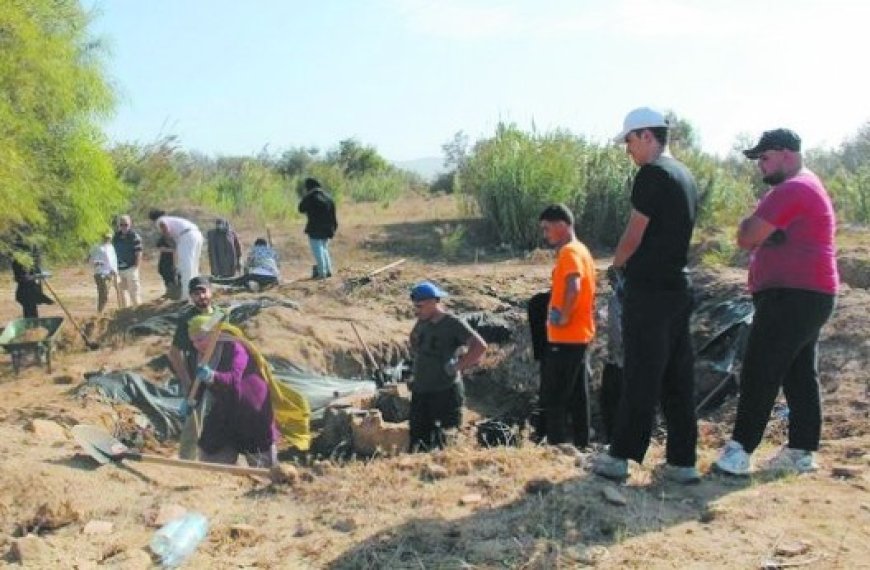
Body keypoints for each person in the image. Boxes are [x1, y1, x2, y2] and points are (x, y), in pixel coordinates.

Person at [714, 128, 839, 476]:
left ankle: (739, 452)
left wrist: (755, 231)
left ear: (786, 154)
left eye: (764, 158)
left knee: (760, 369)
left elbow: (746, 236)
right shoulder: (808, 185)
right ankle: (801, 450)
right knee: (799, 372)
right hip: (810, 294)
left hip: (792, 295)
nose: (760, 166)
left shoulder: (793, 188)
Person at [592, 107, 700, 484]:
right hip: (677, 287)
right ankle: (683, 461)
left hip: (649, 290)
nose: (628, 150)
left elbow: (634, 234)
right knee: (676, 375)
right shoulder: (684, 174)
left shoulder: (652, 175)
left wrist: (616, 265)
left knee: (640, 373)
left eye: (629, 141)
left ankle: (621, 457)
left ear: (645, 136)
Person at [180, 313, 280, 467]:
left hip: (251, 409)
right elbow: (198, 384)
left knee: (262, 463)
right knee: (210, 451)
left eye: (200, 339)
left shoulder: (234, 348)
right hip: (226, 409)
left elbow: (234, 380)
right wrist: (191, 401)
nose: (197, 344)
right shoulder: (198, 356)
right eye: (193, 341)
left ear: (213, 334)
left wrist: (212, 375)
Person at [537, 204, 596, 447]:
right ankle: (581, 443)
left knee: (555, 396)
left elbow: (574, 286)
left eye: (547, 228)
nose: (545, 234)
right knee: (577, 396)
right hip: (579, 336)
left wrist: (563, 316)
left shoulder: (569, 252)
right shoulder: (582, 250)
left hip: (566, 337)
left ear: (562, 225)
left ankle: (556, 447)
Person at [408, 281, 487, 451]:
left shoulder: (452, 323)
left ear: (433, 302)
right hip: (421, 391)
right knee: (418, 442)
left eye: (420, 306)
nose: (417, 310)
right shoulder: (422, 320)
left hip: (445, 391)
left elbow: (480, 346)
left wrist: (458, 366)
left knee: (445, 442)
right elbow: (414, 339)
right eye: (415, 306)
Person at [169, 276, 219, 459]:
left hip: (220, 374)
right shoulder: (187, 320)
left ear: (210, 291)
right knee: (194, 420)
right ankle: (187, 461)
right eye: (196, 293)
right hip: (197, 376)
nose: (201, 296)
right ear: (191, 296)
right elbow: (174, 353)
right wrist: (187, 382)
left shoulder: (220, 315)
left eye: (203, 291)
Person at [149, 209, 204, 302]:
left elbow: (165, 229)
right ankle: (197, 291)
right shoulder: (172, 219)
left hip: (186, 237)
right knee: (194, 267)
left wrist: (172, 244)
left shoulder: (160, 220)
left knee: (186, 268)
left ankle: (186, 296)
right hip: (197, 235)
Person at [298, 178, 338, 279]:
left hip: (315, 227)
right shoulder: (328, 197)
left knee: (318, 250)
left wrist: (306, 196)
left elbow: (301, 208)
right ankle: (328, 271)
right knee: (324, 249)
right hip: (328, 228)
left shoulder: (310, 197)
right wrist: (334, 227)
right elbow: (333, 215)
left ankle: (322, 273)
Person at [11, 238, 53, 319]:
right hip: (25, 293)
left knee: (32, 314)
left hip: (31, 292)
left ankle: (32, 328)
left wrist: (40, 274)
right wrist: (37, 276)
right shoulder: (18, 262)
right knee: (30, 315)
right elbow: (21, 278)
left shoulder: (29, 261)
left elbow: (35, 271)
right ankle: (31, 328)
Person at [112, 214, 143, 308]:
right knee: (122, 293)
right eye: (122, 225)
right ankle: (125, 313)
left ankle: (138, 311)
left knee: (134, 292)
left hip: (131, 268)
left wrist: (136, 266)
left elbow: (139, 252)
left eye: (126, 224)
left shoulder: (134, 236)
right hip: (119, 269)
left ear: (130, 224)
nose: (124, 227)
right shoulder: (116, 236)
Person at [88, 231, 119, 313]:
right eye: (106, 237)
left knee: (105, 294)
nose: (107, 239)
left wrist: (115, 270)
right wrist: (96, 263)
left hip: (109, 273)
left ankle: (100, 311)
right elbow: (90, 258)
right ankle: (100, 312)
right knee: (103, 293)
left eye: (109, 238)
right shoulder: (96, 247)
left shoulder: (111, 247)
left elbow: (113, 260)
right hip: (100, 273)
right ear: (102, 237)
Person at [156, 234, 180, 300]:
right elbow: (159, 247)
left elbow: (175, 250)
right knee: (163, 272)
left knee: (172, 276)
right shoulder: (163, 237)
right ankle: (169, 291)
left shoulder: (175, 238)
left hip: (172, 261)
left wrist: (167, 250)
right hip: (163, 260)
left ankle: (174, 293)